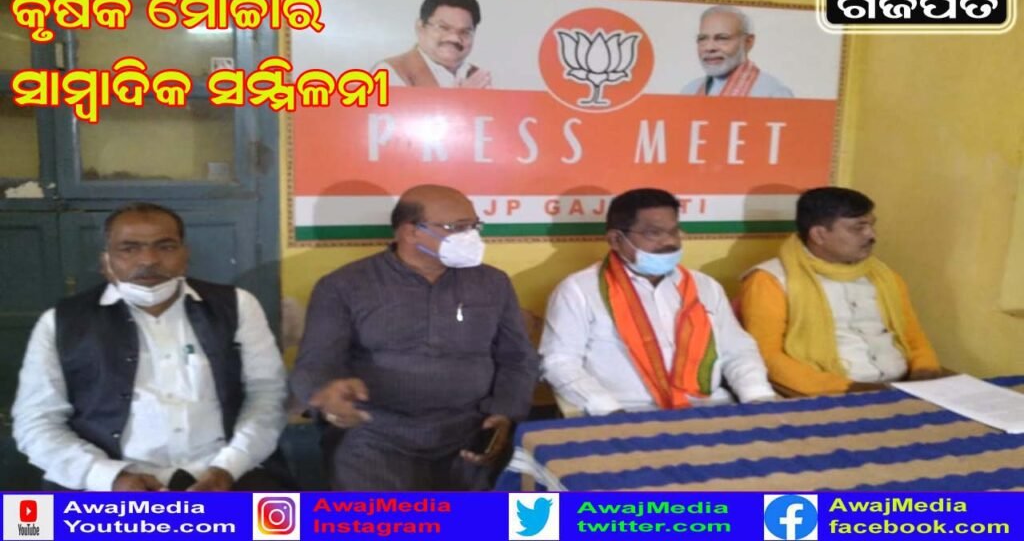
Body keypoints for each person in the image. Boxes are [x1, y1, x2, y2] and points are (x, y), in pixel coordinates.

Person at [12, 203, 288, 491]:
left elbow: (267, 394)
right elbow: (36, 420)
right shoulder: (62, 322)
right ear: (106, 260)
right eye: (129, 249)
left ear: (185, 254)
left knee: (292, 516)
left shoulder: (236, 305)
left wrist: (228, 467)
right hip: (107, 482)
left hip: (227, 473)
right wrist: (108, 477)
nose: (149, 259)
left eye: (165, 247)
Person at [291, 184, 537, 490]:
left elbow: (518, 359)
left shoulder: (492, 283)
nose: (471, 237)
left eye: (474, 226)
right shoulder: (343, 286)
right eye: (457, 228)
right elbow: (315, 363)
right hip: (376, 435)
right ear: (410, 232)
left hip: (470, 430)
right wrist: (327, 394)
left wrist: (506, 414)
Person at [540, 188, 775, 415]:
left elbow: (738, 350)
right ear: (615, 239)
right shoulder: (579, 291)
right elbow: (560, 362)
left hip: (710, 408)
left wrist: (758, 397)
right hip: (625, 412)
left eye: (674, 231)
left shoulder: (704, 286)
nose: (669, 242)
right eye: (654, 233)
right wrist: (608, 410)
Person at [738, 187, 944, 397]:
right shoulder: (770, 280)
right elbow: (766, 355)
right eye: (858, 228)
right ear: (819, 235)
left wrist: (925, 373)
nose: (871, 235)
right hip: (830, 393)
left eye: (872, 225)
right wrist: (849, 389)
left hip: (905, 385)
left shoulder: (884, 276)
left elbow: (913, 336)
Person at [373, 0, 492, 88]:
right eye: (443, 28)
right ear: (420, 27)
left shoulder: (477, 75)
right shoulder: (388, 72)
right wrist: (462, 99)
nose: (454, 38)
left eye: (464, 32)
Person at [680, 5, 793, 98]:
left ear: (748, 42)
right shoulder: (690, 91)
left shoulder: (773, 93)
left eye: (722, 38)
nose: (709, 48)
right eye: (702, 39)